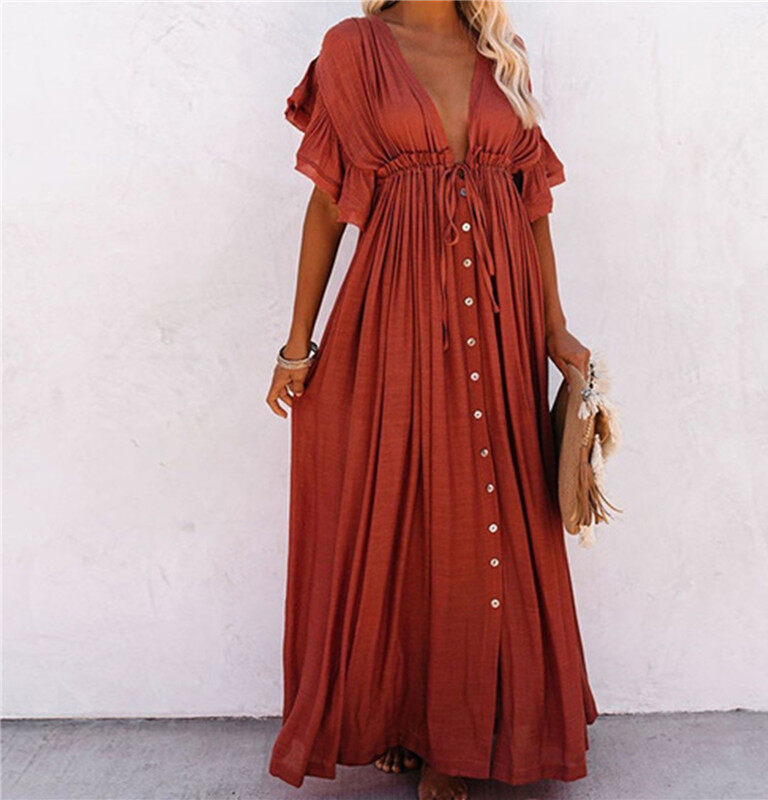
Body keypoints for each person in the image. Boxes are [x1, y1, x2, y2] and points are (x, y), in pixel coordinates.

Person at [266, 2, 598, 798]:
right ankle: (407, 719)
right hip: (398, 308)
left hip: (502, 312)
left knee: (492, 513)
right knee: (408, 509)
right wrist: (297, 343)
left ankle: (466, 733)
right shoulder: (355, 48)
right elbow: (329, 201)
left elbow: (531, 203)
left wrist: (554, 327)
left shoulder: (501, 51)